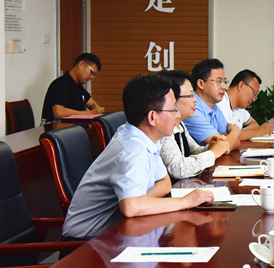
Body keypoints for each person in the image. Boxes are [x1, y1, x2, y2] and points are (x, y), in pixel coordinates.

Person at [62, 74, 215, 240]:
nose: (177, 115)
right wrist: (185, 201)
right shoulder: (132, 150)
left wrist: (142, 202)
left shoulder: (145, 138)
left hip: (117, 231)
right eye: (173, 109)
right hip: (86, 244)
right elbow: (131, 207)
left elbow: (164, 183)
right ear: (152, 117)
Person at [158, 70, 229, 180]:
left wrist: (209, 147)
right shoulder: (163, 128)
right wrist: (213, 153)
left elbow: (194, 150)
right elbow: (177, 169)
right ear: (171, 99)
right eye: (190, 95)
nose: (195, 100)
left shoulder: (180, 125)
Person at [182, 58, 242, 150]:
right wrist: (235, 131)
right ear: (201, 84)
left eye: (225, 82)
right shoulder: (192, 109)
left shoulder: (215, 108)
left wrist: (230, 138)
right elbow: (224, 146)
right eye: (219, 81)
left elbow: (236, 142)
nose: (224, 87)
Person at [41, 53, 105, 123]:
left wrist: (96, 109)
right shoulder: (60, 84)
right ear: (81, 64)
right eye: (91, 72)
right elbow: (59, 112)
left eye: (94, 75)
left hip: (73, 128)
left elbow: (93, 103)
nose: (91, 77)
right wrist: (89, 113)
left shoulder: (78, 87)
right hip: (55, 128)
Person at [216, 69, 274, 140]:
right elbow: (225, 138)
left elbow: (254, 124)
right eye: (254, 93)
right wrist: (257, 132)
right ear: (241, 85)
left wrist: (239, 133)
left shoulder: (239, 108)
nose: (254, 99)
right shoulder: (219, 103)